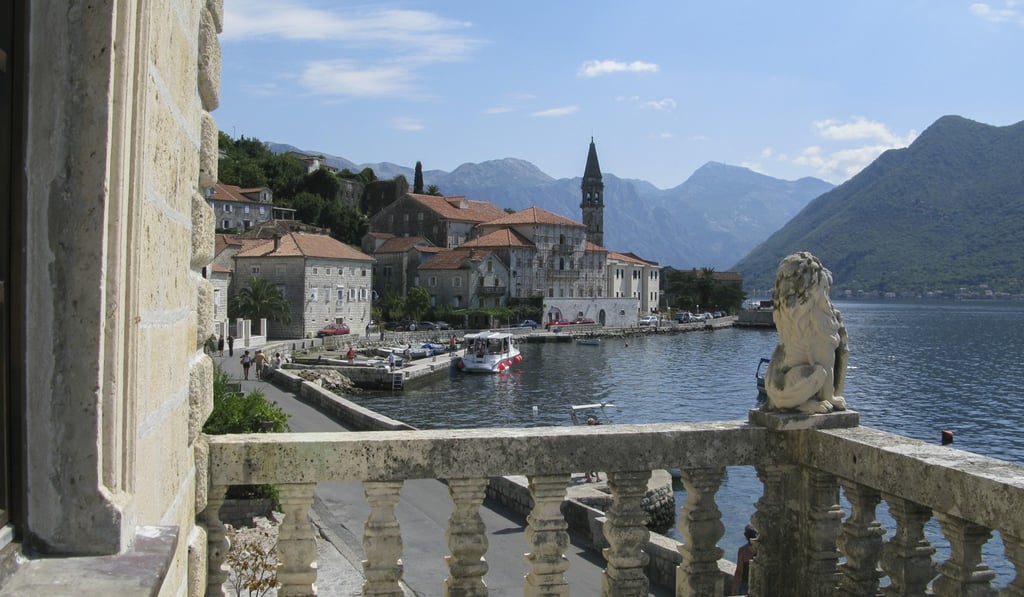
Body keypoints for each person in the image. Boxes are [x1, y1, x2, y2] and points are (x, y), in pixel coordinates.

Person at [733, 525, 757, 595]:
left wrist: (735, 586)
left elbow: (739, 571)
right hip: (758, 583)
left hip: (745, 584)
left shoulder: (742, 551)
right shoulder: (761, 550)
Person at [585, 416, 601, 482]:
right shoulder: (595, 430)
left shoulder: (585, 431)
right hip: (594, 449)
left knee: (587, 463)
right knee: (596, 463)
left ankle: (588, 477)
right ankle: (597, 477)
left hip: (587, 449)